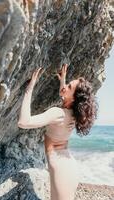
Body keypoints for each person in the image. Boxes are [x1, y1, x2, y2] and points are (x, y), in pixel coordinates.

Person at [18, 64, 98, 200]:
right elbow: (66, 95)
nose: (65, 86)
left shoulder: (58, 113)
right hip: (68, 164)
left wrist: (29, 89)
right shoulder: (74, 113)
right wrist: (63, 81)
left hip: (61, 169)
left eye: (69, 86)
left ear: (73, 98)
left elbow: (23, 122)